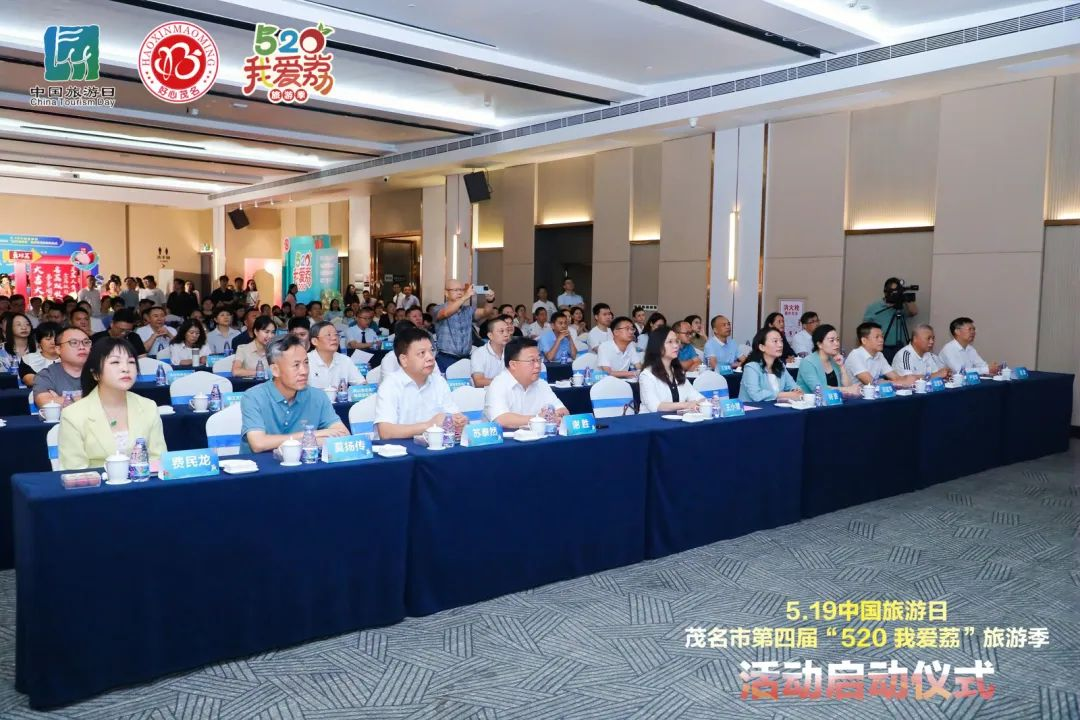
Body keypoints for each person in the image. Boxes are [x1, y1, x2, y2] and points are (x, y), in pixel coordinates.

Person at [58, 337, 166, 470]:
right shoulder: (73, 415)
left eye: (131, 362)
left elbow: (159, 459)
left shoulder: (148, 406)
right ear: (96, 373)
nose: (125, 368)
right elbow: (74, 470)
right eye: (115, 362)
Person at [239, 335, 348, 453]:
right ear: (275, 370)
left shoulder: (318, 396)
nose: (304, 371)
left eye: (306, 363)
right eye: (296, 365)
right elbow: (258, 444)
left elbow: (343, 434)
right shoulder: (253, 397)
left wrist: (304, 441)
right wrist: (311, 435)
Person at [374, 326, 465, 440]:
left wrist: (459, 421)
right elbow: (385, 432)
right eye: (422, 353)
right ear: (404, 360)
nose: (430, 357)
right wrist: (429, 425)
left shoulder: (439, 381)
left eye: (431, 351)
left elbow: (453, 414)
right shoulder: (390, 385)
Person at [484, 337, 568, 428]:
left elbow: (563, 410)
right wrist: (539, 418)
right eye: (532, 361)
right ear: (513, 365)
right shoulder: (498, 385)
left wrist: (556, 416)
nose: (538, 365)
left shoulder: (541, 384)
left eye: (539, 359)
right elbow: (501, 419)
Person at [433, 279, 497, 373]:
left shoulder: (468, 310)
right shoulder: (438, 308)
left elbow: (486, 312)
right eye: (455, 290)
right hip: (446, 358)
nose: (459, 292)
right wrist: (465, 297)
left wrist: (490, 301)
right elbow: (445, 313)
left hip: (466, 358)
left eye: (461, 290)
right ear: (446, 293)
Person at [639, 325, 705, 413]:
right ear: (657, 346)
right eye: (670, 342)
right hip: (651, 420)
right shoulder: (647, 375)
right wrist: (686, 405)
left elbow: (696, 396)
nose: (676, 346)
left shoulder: (678, 372)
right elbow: (655, 406)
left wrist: (705, 403)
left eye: (677, 341)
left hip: (676, 420)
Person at [739, 328, 804, 402]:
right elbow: (756, 395)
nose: (780, 345)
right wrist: (784, 395)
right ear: (762, 347)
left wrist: (797, 391)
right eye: (775, 341)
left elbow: (792, 386)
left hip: (775, 407)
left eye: (781, 341)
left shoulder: (780, 365)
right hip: (752, 408)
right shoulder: (751, 367)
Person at [796, 324, 861, 396]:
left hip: (834, 400)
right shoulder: (807, 362)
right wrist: (845, 389)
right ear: (819, 344)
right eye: (831, 340)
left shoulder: (834, 360)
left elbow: (848, 387)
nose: (837, 343)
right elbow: (818, 390)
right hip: (812, 402)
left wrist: (842, 366)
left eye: (837, 339)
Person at [863, 277, 918, 362]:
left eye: (898, 292)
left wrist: (906, 298)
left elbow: (914, 312)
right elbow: (864, 329)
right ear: (886, 292)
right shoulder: (874, 307)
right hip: (883, 347)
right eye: (894, 292)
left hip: (900, 347)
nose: (895, 295)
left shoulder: (901, 306)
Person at [33, 326, 91, 406]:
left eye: (86, 342)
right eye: (74, 342)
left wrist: (61, 401)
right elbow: (45, 403)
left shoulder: (101, 371)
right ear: (58, 349)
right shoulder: (47, 375)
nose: (82, 347)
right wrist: (92, 399)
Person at [846, 322, 917, 387]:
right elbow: (870, 382)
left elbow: (895, 377)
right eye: (877, 337)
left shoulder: (879, 355)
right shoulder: (855, 355)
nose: (881, 340)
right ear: (864, 340)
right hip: (854, 395)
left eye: (882, 336)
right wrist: (897, 383)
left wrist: (907, 379)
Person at [305, 321, 363, 390]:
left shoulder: (345, 360)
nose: (334, 338)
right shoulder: (305, 361)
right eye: (328, 335)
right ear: (315, 341)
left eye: (336, 335)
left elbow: (361, 384)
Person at [470, 316, 513, 388]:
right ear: (490, 335)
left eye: (507, 331)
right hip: (483, 392)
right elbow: (478, 382)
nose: (506, 335)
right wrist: (503, 382)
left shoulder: (511, 352)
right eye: (501, 331)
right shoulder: (479, 353)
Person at [19, 321, 62, 387]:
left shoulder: (70, 359)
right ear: (39, 342)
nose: (53, 342)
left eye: (56, 339)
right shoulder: (28, 359)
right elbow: (29, 380)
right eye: (48, 339)